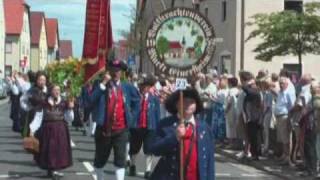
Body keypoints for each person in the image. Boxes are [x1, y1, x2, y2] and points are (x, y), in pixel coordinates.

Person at [88, 60, 140, 180]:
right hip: (104, 130)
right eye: (113, 70)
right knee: (100, 160)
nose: (116, 73)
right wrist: (103, 83)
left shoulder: (127, 87)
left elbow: (137, 101)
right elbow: (91, 101)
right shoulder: (100, 85)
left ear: (121, 73)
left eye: (118, 71)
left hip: (121, 130)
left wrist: (131, 118)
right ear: (109, 71)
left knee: (120, 160)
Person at [147, 88, 215, 180]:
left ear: (196, 105)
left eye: (191, 102)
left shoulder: (204, 127)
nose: (188, 105)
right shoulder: (165, 124)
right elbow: (154, 149)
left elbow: (209, 160)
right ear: (176, 104)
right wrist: (174, 137)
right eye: (184, 101)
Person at [31, 85, 74, 179]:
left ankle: (54, 170)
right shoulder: (44, 102)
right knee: (49, 150)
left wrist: (70, 109)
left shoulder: (64, 103)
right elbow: (38, 116)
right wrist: (32, 129)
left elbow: (69, 119)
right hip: (47, 129)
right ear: (51, 91)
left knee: (58, 150)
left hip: (60, 129)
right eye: (55, 90)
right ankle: (50, 170)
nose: (57, 91)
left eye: (58, 89)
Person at [128, 76, 160, 179]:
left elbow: (157, 114)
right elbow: (131, 110)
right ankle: (132, 165)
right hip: (136, 127)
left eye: (146, 86)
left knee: (149, 149)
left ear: (149, 87)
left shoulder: (154, 99)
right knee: (134, 148)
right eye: (142, 86)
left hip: (150, 127)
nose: (144, 88)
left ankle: (148, 170)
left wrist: (157, 127)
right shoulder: (136, 98)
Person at [274, 77, 296, 165]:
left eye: (282, 83)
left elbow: (292, 106)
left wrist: (289, 119)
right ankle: (284, 155)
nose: (280, 85)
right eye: (280, 83)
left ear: (287, 84)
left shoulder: (288, 93)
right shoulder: (280, 92)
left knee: (286, 138)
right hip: (279, 116)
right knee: (282, 138)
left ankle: (288, 157)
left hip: (285, 116)